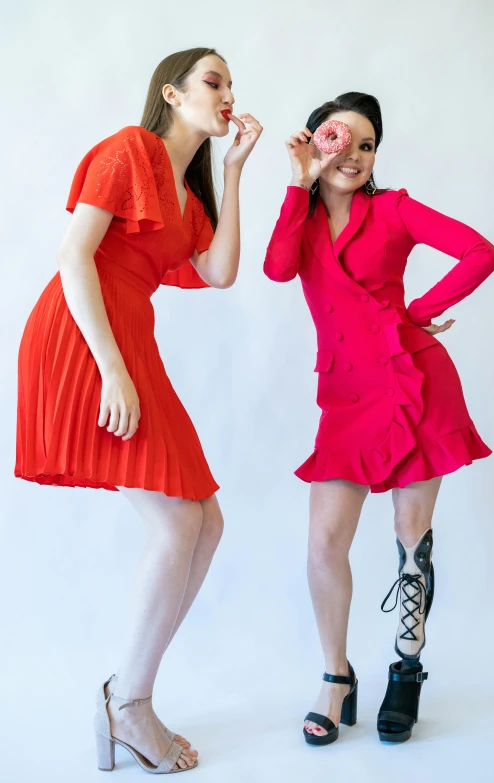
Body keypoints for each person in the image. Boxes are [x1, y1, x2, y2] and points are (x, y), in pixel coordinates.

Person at [15, 47, 262, 773]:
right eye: (213, 82)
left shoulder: (188, 191)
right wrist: (111, 369)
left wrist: (237, 169)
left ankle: (128, 697)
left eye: (230, 86)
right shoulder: (130, 149)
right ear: (171, 92)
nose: (226, 95)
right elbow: (73, 255)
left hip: (130, 340)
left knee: (205, 521)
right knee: (179, 520)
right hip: (85, 334)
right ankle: (129, 704)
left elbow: (219, 273)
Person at [264, 92, 494, 746]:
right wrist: (297, 184)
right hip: (346, 395)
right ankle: (336, 676)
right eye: (344, 139)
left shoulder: (393, 209)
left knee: (408, 535)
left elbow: (482, 252)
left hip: (414, 381)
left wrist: (417, 311)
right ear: (317, 141)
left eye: (369, 146)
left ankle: (407, 667)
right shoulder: (301, 217)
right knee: (323, 544)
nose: (357, 155)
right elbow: (277, 268)